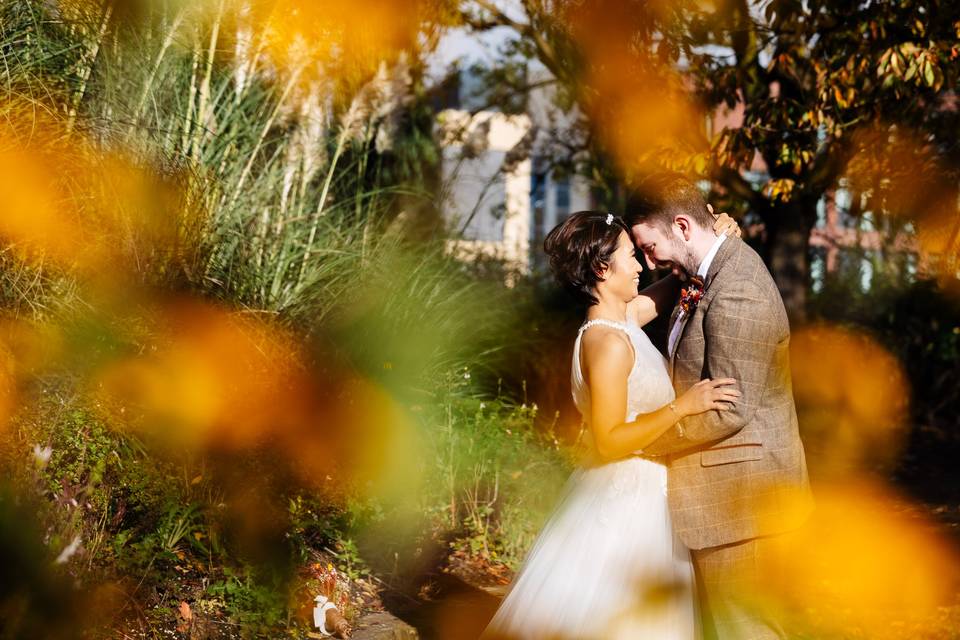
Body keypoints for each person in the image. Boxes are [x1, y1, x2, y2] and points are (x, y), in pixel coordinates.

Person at [482, 211, 739, 639]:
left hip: (643, 490)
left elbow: (672, 285)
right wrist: (683, 408)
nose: (641, 265)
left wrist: (716, 237)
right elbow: (609, 439)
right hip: (627, 501)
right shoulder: (607, 344)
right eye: (630, 256)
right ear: (603, 268)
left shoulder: (621, 322)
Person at [628, 175, 814, 639]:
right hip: (723, 503)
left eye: (650, 247)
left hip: (744, 506)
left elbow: (729, 408)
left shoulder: (738, 289)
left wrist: (645, 441)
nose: (649, 261)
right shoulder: (703, 275)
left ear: (683, 227)